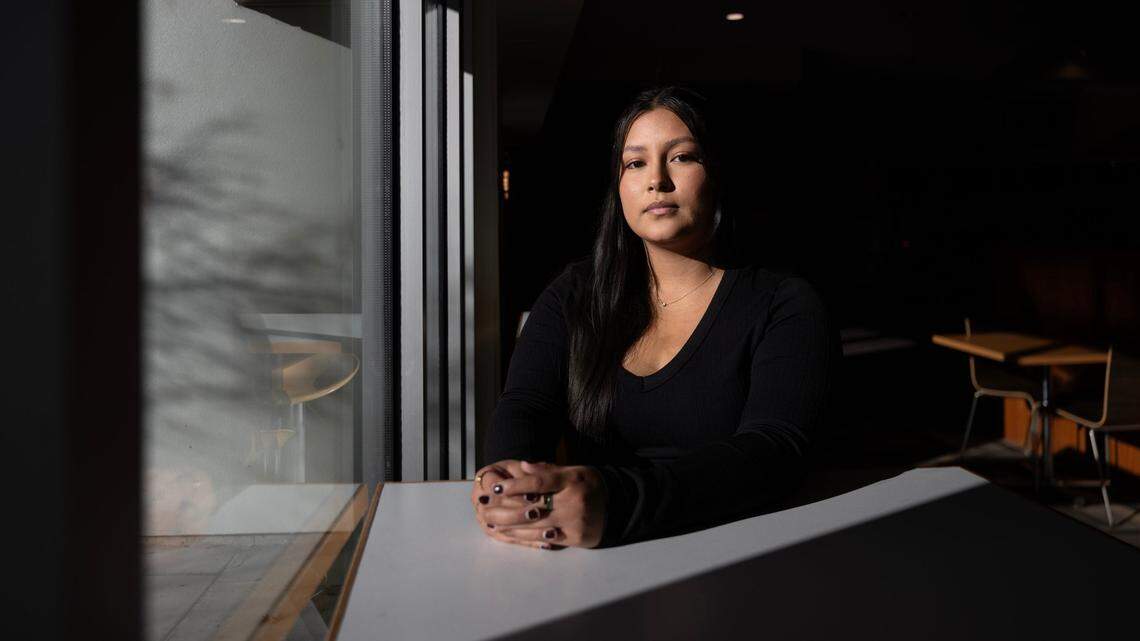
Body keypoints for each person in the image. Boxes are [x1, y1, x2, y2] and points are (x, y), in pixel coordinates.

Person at [471, 86, 834, 549]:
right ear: (618, 185)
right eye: (636, 163)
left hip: (741, 547)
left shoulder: (784, 304)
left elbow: (775, 449)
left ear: (717, 171)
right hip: (593, 559)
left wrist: (617, 503)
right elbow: (526, 405)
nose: (656, 180)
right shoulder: (575, 293)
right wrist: (506, 481)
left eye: (682, 157)